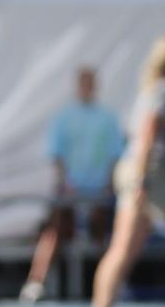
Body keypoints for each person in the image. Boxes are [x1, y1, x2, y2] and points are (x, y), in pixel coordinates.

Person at [19, 67, 125, 303]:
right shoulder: (64, 117)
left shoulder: (108, 118)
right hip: (71, 190)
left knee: (104, 235)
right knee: (55, 230)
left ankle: (110, 284)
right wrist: (67, 184)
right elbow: (57, 156)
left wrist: (107, 186)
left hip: (98, 192)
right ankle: (36, 282)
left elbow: (114, 156)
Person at [91, 38, 165, 307]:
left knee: (123, 251)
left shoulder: (152, 91)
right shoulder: (161, 92)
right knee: (121, 250)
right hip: (148, 179)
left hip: (146, 177)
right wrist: (141, 182)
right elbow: (146, 137)